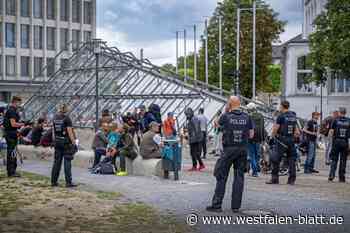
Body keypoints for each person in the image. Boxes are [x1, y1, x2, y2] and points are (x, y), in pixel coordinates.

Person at [206, 96, 254, 213]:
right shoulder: (247, 117)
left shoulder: (226, 116)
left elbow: (216, 124)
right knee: (239, 177)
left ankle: (217, 205)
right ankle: (236, 206)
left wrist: (226, 111)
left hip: (229, 150)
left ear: (230, 104)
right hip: (242, 149)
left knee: (221, 175)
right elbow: (251, 135)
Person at [266, 100, 300, 185]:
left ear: (282, 106)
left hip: (281, 140)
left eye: (279, 106)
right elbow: (297, 132)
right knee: (292, 159)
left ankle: (274, 179)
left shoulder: (281, 116)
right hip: (291, 140)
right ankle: (291, 180)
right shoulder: (293, 116)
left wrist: (271, 138)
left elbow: (275, 129)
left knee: (275, 159)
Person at [51, 104, 78, 187]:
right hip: (66, 142)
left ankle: (54, 181)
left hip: (57, 141)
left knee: (56, 163)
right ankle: (68, 182)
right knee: (67, 161)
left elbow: (53, 131)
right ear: (66, 109)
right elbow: (70, 132)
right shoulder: (67, 118)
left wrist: (54, 140)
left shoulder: (55, 117)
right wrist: (74, 142)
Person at [3, 96, 24, 177]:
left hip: (11, 133)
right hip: (11, 134)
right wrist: (22, 124)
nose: (20, 104)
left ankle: (12, 171)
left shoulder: (12, 110)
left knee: (13, 152)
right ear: (15, 102)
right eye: (19, 103)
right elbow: (13, 124)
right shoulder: (11, 111)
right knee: (12, 152)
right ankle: (11, 172)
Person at [328, 107, 350, 183]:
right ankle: (342, 177)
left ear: (340, 112)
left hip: (336, 141)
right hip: (345, 142)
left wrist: (330, 141)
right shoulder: (349, 120)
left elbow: (331, 131)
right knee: (343, 160)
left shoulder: (335, 120)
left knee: (334, 159)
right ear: (345, 113)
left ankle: (331, 175)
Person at [247, 102, 265, 177]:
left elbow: (247, 128)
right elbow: (263, 128)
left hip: (250, 138)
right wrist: (263, 139)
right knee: (257, 154)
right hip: (259, 138)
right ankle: (257, 167)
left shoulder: (249, 116)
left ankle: (255, 172)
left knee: (252, 155)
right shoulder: (261, 116)